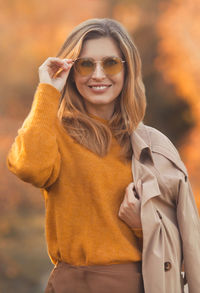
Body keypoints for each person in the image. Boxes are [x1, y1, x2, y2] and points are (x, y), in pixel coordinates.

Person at [6, 18, 200, 293]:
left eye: (110, 63)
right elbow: (28, 167)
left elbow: (186, 246)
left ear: (127, 70)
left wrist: (142, 222)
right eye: (86, 64)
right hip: (72, 285)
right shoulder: (55, 133)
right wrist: (48, 91)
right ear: (72, 71)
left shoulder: (153, 146)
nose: (98, 74)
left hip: (140, 285)